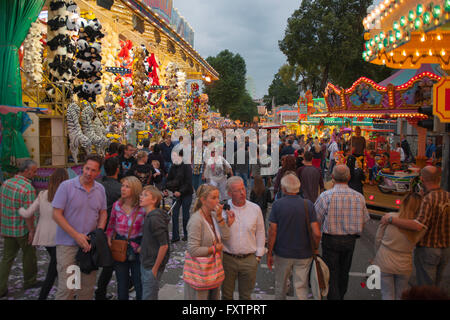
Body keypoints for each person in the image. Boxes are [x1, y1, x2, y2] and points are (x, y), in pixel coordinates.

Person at [380, 166, 450, 289]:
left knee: (426, 285)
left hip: (429, 247)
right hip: (445, 247)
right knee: (437, 285)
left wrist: (392, 220)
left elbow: (418, 225)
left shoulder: (428, 199)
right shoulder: (447, 196)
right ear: (438, 179)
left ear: (422, 179)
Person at [52, 155, 108, 300]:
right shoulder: (66, 186)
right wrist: (76, 235)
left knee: (87, 288)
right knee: (68, 288)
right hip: (68, 246)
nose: (89, 173)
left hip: (89, 248)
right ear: (82, 168)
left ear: (98, 173)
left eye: (93, 170)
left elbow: (103, 212)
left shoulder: (100, 189)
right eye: (87, 168)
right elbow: (56, 214)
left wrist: (98, 233)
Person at [314, 165, 370, 300]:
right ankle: (340, 294)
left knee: (331, 272)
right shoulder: (359, 197)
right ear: (349, 178)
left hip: (331, 239)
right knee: (344, 271)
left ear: (332, 178)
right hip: (350, 240)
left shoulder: (326, 196)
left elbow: (316, 219)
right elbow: (364, 219)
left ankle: (334, 296)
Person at [267, 174, 321, 300]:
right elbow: (317, 233)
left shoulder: (277, 205)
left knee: (281, 286)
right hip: (304, 253)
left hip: (282, 252)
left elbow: (272, 231)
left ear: (284, 189)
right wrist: (315, 247)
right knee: (300, 287)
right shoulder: (308, 205)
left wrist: (270, 252)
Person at [18, 168, 69, 300]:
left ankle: (68, 292)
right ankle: (49, 295)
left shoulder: (42, 195)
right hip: (61, 238)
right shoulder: (67, 195)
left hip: (45, 238)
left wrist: (18, 208)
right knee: (60, 268)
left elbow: (27, 213)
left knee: (59, 266)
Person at [373, 193, 425, 300]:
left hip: (385, 259)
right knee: (401, 295)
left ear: (403, 202)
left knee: (387, 294)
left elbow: (378, 239)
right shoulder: (419, 227)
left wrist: (376, 255)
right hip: (405, 263)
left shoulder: (389, 217)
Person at [184, 184, 232, 300]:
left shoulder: (214, 216)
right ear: (203, 200)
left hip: (213, 272)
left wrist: (220, 218)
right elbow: (193, 249)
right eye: (214, 198)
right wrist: (215, 249)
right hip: (199, 273)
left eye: (218, 197)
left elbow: (226, 236)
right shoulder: (196, 220)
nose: (218, 201)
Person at [221, 177, 266, 300]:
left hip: (249, 260)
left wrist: (258, 255)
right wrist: (226, 223)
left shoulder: (255, 209)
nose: (242, 193)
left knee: (246, 296)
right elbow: (217, 234)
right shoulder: (223, 210)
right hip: (227, 259)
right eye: (237, 190)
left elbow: (261, 232)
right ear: (230, 193)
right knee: (226, 295)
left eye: (243, 189)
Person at [0, 159, 40, 298]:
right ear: (27, 171)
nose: (35, 174)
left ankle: (1, 287)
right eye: (34, 171)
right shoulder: (27, 189)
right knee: (29, 255)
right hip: (22, 229)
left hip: (7, 227)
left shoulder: (6, 183)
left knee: (7, 258)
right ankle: (30, 281)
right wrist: (32, 231)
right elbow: (29, 214)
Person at [106, 176, 145, 300]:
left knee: (139, 282)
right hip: (120, 244)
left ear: (135, 189)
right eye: (123, 186)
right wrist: (109, 238)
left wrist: (143, 246)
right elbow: (111, 224)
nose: (123, 189)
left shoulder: (142, 207)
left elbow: (149, 230)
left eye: (127, 187)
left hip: (137, 245)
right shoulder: (117, 205)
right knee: (122, 283)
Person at [95, 157, 122, 300]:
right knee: (109, 262)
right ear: (117, 169)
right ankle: (100, 292)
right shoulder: (119, 189)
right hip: (112, 229)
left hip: (94, 227)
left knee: (89, 261)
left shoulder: (97, 185)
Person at [139, 186, 170, 300]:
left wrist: (155, 268)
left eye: (145, 195)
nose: (141, 197)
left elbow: (164, 245)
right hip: (147, 261)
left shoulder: (154, 218)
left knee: (149, 296)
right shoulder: (149, 215)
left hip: (151, 264)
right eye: (141, 194)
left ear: (154, 200)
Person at [165, 150, 193, 243]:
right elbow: (168, 180)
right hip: (176, 193)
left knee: (185, 215)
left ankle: (186, 234)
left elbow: (188, 182)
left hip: (186, 193)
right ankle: (175, 236)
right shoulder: (173, 166)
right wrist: (174, 190)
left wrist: (180, 191)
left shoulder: (186, 166)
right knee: (175, 215)